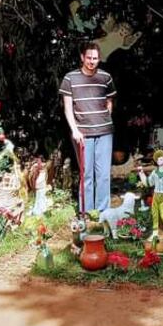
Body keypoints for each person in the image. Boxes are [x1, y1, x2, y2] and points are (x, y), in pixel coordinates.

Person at [59, 42, 116, 213]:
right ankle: (87, 213)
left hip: (105, 132)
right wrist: (75, 130)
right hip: (82, 133)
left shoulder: (105, 77)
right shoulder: (70, 78)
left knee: (104, 175)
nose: (92, 61)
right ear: (82, 57)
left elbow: (109, 100)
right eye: (89, 58)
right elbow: (68, 107)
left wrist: (107, 116)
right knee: (87, 175)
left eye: (95, 58)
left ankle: (102, 213)